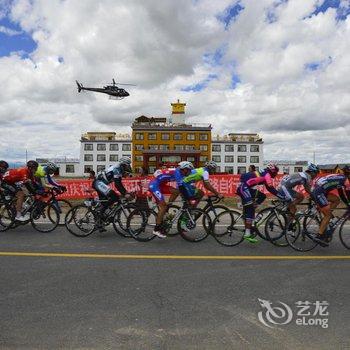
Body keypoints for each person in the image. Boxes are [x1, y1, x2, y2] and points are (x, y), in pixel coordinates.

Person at [237, 162, 284, 243]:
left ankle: (250, 216)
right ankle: (247, 234)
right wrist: (282, 196)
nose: (276, 174)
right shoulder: (267, 175)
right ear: (272, 171)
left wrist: (280, 196)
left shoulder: (264, 173)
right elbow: (271, 188)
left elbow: (269, 189)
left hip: (246, 187)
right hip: (244, 187)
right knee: (250, 210)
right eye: (276, 172)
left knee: (262, 196)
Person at [149, 161, 194, 238]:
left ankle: (168, 207)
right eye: (189, 170)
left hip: (161, 184)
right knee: (163, 206)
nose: (189, 172)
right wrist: (188, 198)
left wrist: (188, 195)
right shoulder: (177, 172)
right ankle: (156, 229)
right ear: (185, 169)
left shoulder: (180, 173)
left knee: (176, 191)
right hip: (155, 185)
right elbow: (181, 187)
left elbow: (183, 187)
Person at [311, 166, 350, 246]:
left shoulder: (341, 177)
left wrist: (347, 203)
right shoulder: (346, 180)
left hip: (319, 189)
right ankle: (319, 236)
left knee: (336, 200)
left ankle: (328, 216)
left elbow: (341, 194)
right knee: (327, 215)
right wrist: (348, 203)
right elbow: (348, 194)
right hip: (319, 192)